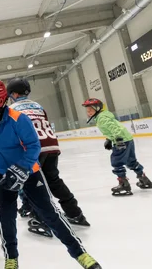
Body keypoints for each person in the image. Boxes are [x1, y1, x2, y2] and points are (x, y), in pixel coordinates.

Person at [0, 78, 102, 269]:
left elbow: (33, 146)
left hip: (29, 173)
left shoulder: (18, 118)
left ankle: (80, 254)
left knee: (50, 215)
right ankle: (11, 259)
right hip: (2, 176)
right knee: (6, 217)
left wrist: (22, 168)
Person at [6, 77, 90, 236]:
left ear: (14, 94)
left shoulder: (13, 109)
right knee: (54, 181)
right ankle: (75, 213)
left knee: (34, 184)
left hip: (33, 148)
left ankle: (41, 219)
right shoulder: (38, 105)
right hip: (51, 145)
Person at [82, 98, 152, 196]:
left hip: (121, 140)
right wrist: (109, 139)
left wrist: (118, 139)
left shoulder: (101, 118)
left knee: (116, 162)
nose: (89, 112)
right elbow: (111, 128)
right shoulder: (103, 116)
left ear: (97, 108)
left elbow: (114, 128)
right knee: (131, 161)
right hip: (128, 139)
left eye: (90, 110)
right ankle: (144, 179)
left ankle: (124, 184)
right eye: (87, 111)